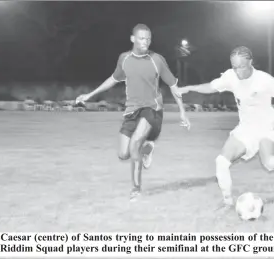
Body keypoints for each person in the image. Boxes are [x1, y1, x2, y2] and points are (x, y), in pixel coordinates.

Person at [177, 46, 274, 207]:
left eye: (241, 66)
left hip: (265, 128)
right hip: (245, 129)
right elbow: (211, 87)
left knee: (270, 162)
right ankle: (227, 203)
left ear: (251, 62)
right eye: (234, 67)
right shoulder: (230, 76)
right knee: (221, 162)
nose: (238, 71)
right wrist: (188, 88)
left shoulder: (264, 80)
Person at [76, 24, 190, 201]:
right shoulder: (124, 59)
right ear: (133, 39)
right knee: (123, 154)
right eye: (142, 38)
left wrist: (182, 112)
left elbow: (174, 86)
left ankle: (136, 189)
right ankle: (147, 149)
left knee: (135, 143)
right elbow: (113, 79)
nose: (146, 42)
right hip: (131, 111)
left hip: (152, 109)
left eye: (148, 39)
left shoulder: (157, 60)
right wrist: (90, 94)